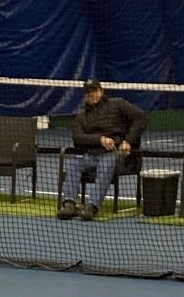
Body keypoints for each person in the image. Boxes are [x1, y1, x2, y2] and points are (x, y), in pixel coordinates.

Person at [59, 79, 148, 219]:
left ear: (101, 91)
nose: (91, 94)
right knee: (72, 164)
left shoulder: (117, 104)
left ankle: (91, 206)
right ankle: (69, 204)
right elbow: (77, 138)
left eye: (94, 91)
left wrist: (128, 142)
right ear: (84, 95)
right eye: (88, 92)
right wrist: (100, 140)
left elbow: (141, 118)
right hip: (90, 156)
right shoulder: (81, 115)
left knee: (106, 163)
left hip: (115, 154)